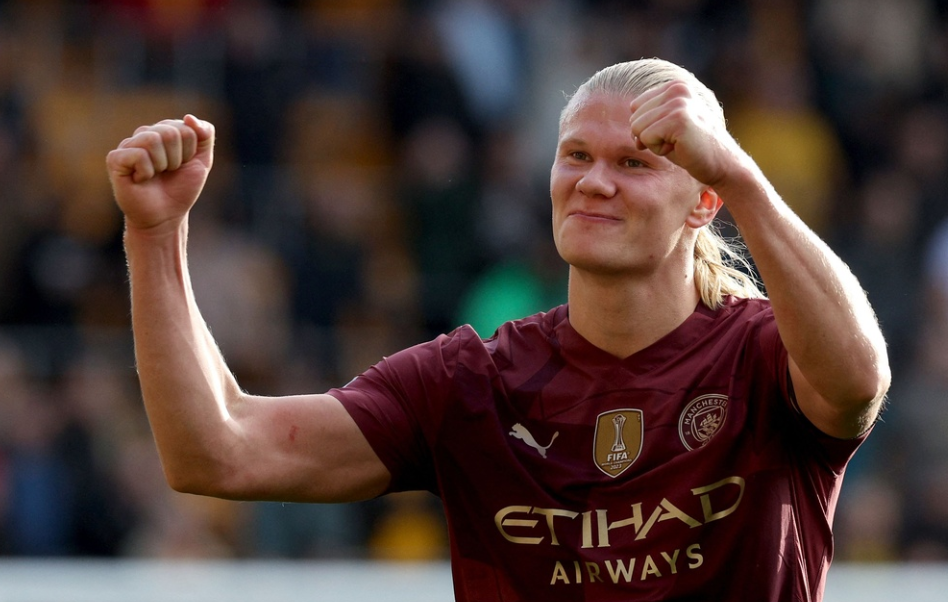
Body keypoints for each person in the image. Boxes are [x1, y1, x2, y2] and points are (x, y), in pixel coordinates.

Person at [106, 58, 890, 600]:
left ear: (703, 201)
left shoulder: (762, 353)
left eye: (638, 162)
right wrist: (155, 234)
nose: (593, 181)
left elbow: (858, 384)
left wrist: (741, 174)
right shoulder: (470, 383)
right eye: (575, 154)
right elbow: (217, 448)